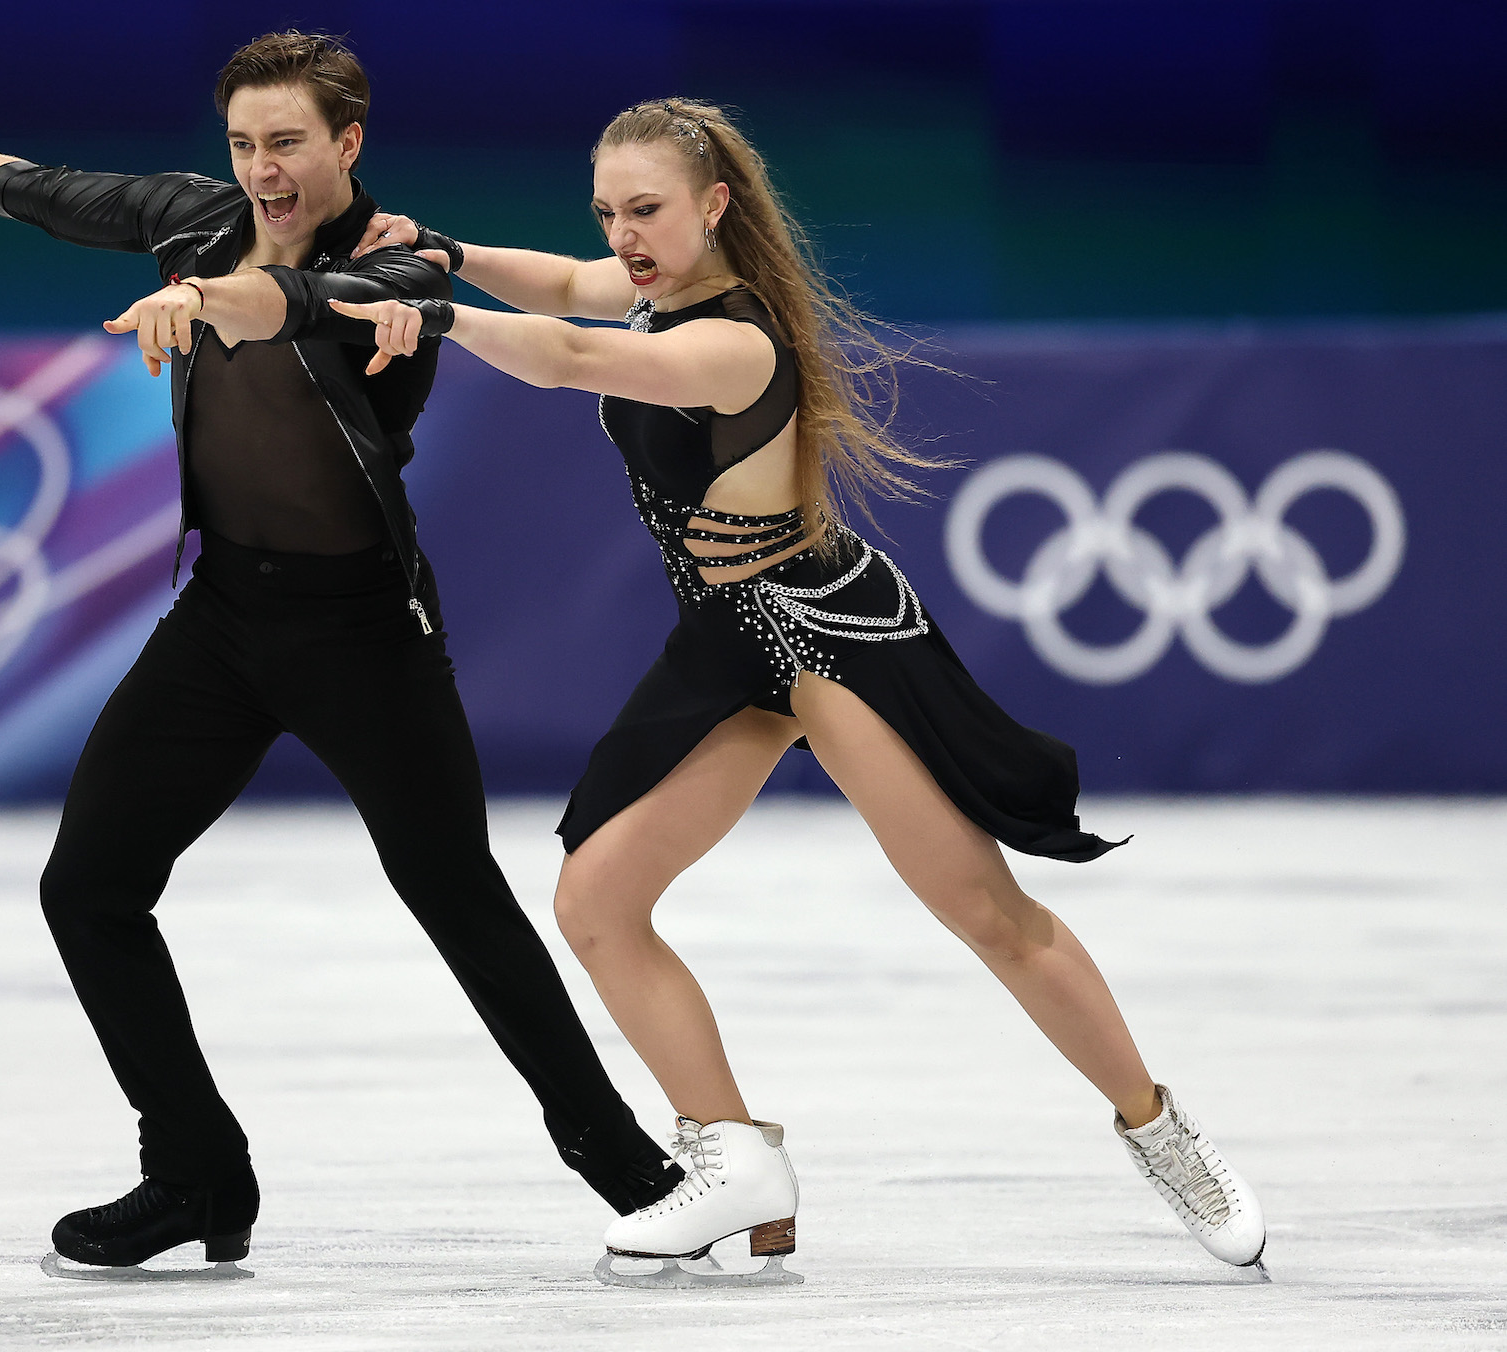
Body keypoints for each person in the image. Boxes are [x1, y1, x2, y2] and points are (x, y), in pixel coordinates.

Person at [330, 97, 1267, 1283]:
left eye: (648, 211)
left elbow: (566, 354)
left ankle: (1158, 1126)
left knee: (985, 911)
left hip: (829, 637)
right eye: (609, 212)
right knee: (597, 899)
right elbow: (568, 291)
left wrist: (435, 311)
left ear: (714, 205)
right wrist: (455, 255)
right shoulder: (656, 290)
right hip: (726, 641)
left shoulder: (736, 339)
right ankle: (734, 1158)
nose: (623, 236)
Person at [0, 34, 682, 1275]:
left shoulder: (404, 258)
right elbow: (52, 190)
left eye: (287, 142)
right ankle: (196, 1171)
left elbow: (303, 307)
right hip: (222, 620)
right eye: (243, 144)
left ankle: (637, 1174)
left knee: (458, 898)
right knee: (89, 888)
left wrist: (201, 298)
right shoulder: (192, 218)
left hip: (365, 631)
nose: (263, 169)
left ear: (348, 143)